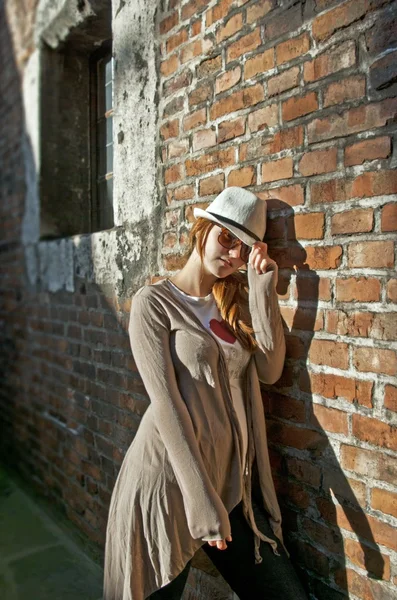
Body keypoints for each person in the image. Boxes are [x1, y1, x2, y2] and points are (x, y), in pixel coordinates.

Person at [103, 187, 308, 600]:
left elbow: (268, 371)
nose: (232, 254)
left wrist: (264, 289)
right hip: (168, 484)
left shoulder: (233, 302)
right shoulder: (154, 303)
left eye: (243, 247)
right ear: (203, 230)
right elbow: (166, 405)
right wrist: (199, 501)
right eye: (226, 237)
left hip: (230, 485)